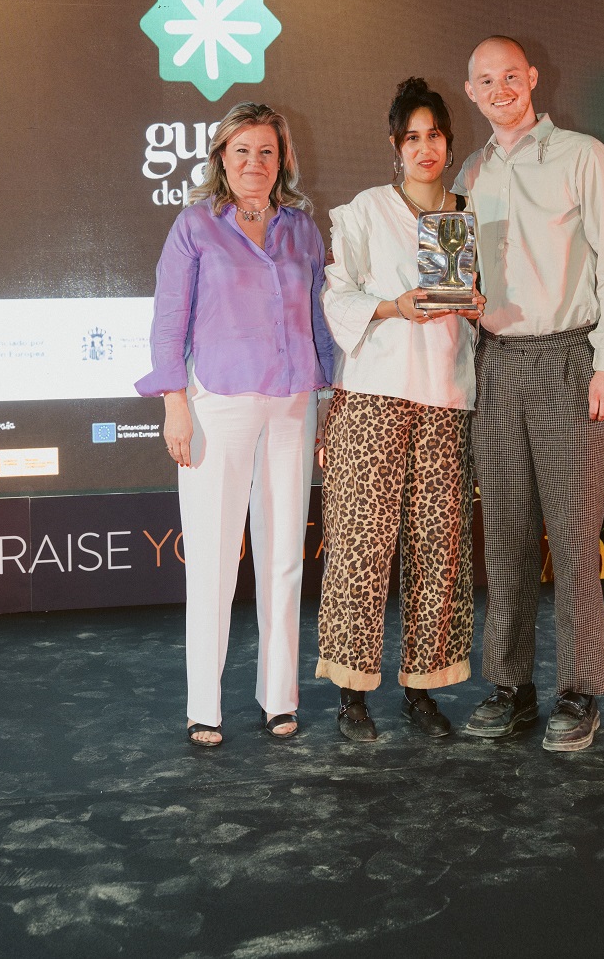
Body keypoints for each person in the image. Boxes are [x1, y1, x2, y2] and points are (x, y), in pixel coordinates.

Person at [455, 36, 604, 751]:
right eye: (485, 80)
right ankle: (511, 688)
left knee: (571, 538)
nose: (500, 88)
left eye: (511, 75)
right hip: (496, 366)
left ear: (532, 78)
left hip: (570, 360)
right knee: (502, 541)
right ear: (470, 91)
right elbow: (463, 280)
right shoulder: (470, 172)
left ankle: (577, 693)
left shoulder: (584, 158)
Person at [136, 102, 334, 748]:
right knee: (215, 563)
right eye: (242, 150)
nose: (255, 162)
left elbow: (320, 327)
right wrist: (174, 405)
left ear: (283, 161)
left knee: (284, 560)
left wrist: (327, 408)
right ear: (222, 157)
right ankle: (205, 708)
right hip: (215, 404)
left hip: (293, 405)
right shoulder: (195, 227)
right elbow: (170, 322)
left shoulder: (303, 231)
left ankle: (279, 698)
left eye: (267, 152)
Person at [317, 77, 484, 741]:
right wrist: (392, 305)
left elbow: (488, 310)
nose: (425, 148)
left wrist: (478, 303)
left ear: (448, 140)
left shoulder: (468, 215)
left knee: (439, 548)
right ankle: (351, 696)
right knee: (360, 546)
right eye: (411, 138)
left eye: (435, 135)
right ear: (395, 146)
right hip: (373, 399)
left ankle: (424, 690)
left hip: (445, 402)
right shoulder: (362, 213)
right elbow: (337, 296)